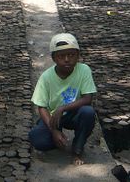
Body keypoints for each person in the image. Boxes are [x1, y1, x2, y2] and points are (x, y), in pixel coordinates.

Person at [29, 33, 97, 165]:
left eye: (71, 55)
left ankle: (77, 148)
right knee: (37, 139)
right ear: (54, 58)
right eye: (61, 56)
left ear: (78, 55)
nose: (66, 59)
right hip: (54, 117)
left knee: (88, 112)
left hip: (75, 113)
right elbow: (41, 107)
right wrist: (54, 130)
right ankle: (58, 137)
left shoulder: (84, 70)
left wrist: (63, 108)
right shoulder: (46, 77)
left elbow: (88, 98)